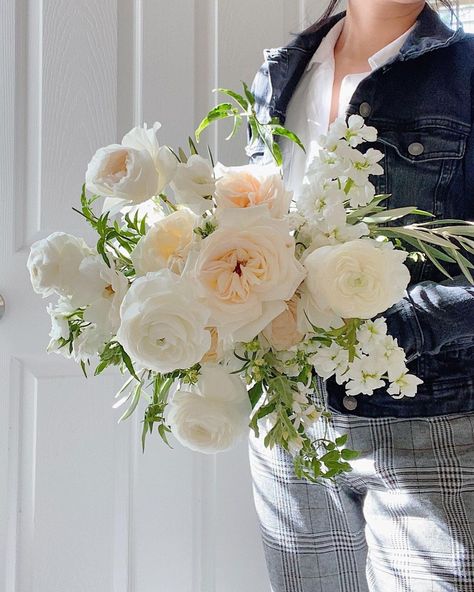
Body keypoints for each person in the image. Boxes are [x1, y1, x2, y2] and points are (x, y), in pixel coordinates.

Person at [247, 1, 474, 590]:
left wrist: (386, 330)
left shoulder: (465, 70)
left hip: (429, 427)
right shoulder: (279, 72)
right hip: (289, 430)